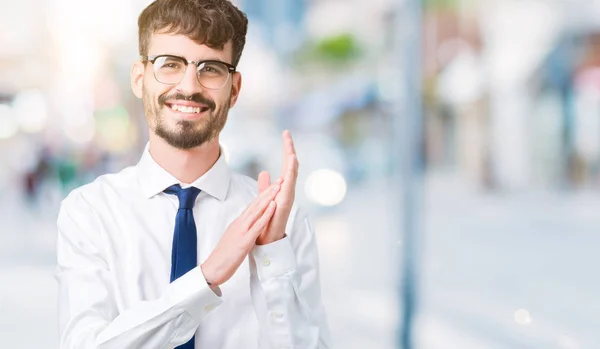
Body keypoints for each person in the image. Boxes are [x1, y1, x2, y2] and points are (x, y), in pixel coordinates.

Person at [54, 0, 331, 348]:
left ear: (234, 89)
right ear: (140, 78)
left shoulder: (284, 226)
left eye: (211, 68)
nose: (189, 86)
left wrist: (272, 257)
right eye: (170, 64)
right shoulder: (90, 213)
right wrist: (206, 278)